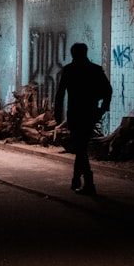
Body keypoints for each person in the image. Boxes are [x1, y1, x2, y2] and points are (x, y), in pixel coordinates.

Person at [53, 42, 112, 195]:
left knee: (80, 147)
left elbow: (60, 94)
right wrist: (103, 109)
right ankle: (76, 178)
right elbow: (108, 90)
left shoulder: (69, 70)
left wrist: (57, 114)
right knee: (81, 146)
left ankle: (88, 181)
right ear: (85, 53)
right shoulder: (95, 70)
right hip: (90, 113)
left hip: (75, 113)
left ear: (73, 54)